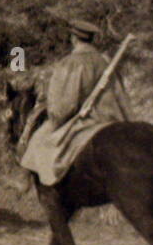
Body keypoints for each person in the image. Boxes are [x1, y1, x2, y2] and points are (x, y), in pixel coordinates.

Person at [19, 17, 131, 186]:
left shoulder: (69, 63)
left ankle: (29, 182)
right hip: (113, 117)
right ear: (91, 39)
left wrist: (54, 117)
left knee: (38, 139)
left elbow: (64, 108)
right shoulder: (104, 61)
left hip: (87, 120)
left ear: (73, 39)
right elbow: (120, 94)